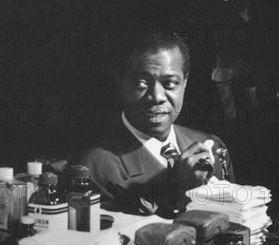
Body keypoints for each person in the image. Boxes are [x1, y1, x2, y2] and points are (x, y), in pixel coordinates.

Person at [78, 26, 235, 218]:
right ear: (121, 83)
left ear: (184, 83)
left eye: (169, 83)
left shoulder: (213, 147)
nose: (157, 97)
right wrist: (178, 191)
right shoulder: (94, 167)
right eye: (141, 83)